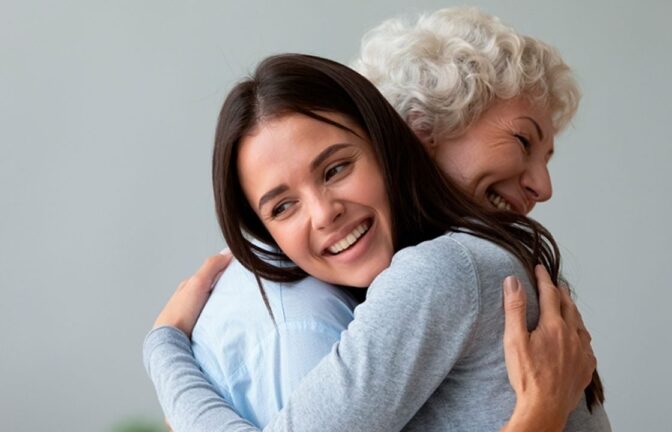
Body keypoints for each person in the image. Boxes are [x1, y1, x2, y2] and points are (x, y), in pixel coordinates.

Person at [144, 53, 610, 431]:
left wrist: (164, 348)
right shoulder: (479, 257)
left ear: (386, 144)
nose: (325, 213)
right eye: (282, 207)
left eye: (336, 169)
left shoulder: (441, 272)